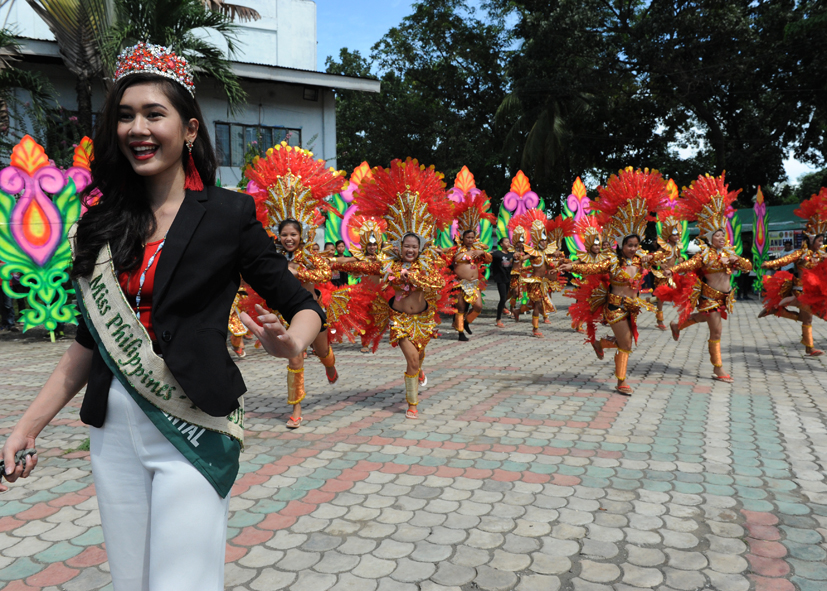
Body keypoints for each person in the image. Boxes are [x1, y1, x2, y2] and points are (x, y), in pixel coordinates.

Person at [0, 43, 325, 591]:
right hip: (113, 432)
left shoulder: (228, 213)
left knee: (181, 582)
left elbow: (303, 303)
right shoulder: (102, 221)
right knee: (133, 582)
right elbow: (89, 340)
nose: (137, 128)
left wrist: (293, 342)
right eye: (125, 116)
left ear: (190, 129)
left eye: (154, 114)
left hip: (192, 423)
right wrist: (26, 427)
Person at [244, 141, 350, 429]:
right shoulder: (272, 257)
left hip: (311, 313)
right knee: (295, 360)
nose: (289, 238)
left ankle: (330, 366)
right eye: (285, 234)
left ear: (301, 235)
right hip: (284, 315)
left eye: (293, 234)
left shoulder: (312, 256)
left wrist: (299, 272)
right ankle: (296, 410)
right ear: (279, 235)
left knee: (324, 353)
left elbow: (325, 272)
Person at [350, 158, 452, 418]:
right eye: (406, 246)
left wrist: (416, 280)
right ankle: (412, 405)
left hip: (424, 318)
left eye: (414, 247)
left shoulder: (427, 264)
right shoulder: (389, 264)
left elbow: (438, 283)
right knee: (412, 360)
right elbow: (367, 269)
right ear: (400, 247)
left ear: (419, 248)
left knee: (420, 356)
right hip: (400, 319)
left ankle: (417, 371)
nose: (410, 250)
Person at [564, 167, 665, 395]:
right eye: (629, 245)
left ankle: (600, 344)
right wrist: (573, 266)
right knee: (627, 344)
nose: (633, 249)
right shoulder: (612, 261)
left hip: (633, 307)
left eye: (636, 245)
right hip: (615, 306)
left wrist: (658, 262)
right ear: (621, 245)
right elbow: (593, 266)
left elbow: (660, 256)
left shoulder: (640, 259)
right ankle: (621, 382)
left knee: (624, 343)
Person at [659, 174, 753, 382]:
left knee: (703, 319)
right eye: (718, 236)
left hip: (724, 298)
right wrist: (672, 270)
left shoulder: (729, 253)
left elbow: (748, 267)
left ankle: (678, 326)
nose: (722, 238)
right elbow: (688, 264)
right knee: (717, 332)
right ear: (710, 238)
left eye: (723, 235)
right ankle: (718, 369)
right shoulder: (705, 255)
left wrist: (736, 259)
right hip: (709, 297)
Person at [758, 189, 827, 356]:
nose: (821, 242)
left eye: (823, 240)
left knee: (807, 319)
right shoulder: (800, 253)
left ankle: (808, 346)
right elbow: (785, 260)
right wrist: (770, 263)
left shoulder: (822, 254)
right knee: (809, 314)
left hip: (814, 292)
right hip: (801, 289)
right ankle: (780, 305)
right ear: (811, 239)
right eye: (819, 240)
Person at [330, 215, 394, 354]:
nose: (372, 247)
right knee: (365, 319)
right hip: (364, 293)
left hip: (380, 293)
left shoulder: (383, 259)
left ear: (377, 244)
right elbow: (346, 261)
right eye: (369, 245)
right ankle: (365, 342)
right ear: (365, 245)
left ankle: (380, 337)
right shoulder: (360, 258)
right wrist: (331, 260)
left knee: (379, 318)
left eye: (374, 244)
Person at [508, 210, 567, 338]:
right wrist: (518, 257)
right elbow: (523, 258)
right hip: (534, 282)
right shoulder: (533, 253)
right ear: (536, 241)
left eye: (545, 241)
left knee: (535, 303)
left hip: (543, 282)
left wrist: (559, 257)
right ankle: (535, 329)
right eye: (541, 241)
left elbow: (554, 258)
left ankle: (518, 311)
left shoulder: (547, 252)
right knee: (538, 303)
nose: (544, 243)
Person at [451, 193, 494, 341]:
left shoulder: (477, 249)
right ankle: (460, 332)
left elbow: (489, 259)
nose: (470, 240)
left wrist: (481, 252)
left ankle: (467, 322)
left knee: (478, 307)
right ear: (462, 237)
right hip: (460, 284)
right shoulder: (456, 250)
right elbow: (447, 258)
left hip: (474, 284)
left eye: (472, 237)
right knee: (461, 308)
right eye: (467, 237)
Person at [565, 216, 611, 333]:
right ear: (590, 245)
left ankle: (603, 319)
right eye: (594, 245)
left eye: (598, 245)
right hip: (585, 285)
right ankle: (578, 325)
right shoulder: (585, 257)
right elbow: (573, 264)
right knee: (582, 305)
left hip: (598, 286)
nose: (597, 247)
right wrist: (564, 264)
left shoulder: (603, 257)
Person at [649, 214, 685, 329]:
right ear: (669, 235)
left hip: (672, 274)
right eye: (674, 234)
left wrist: (681, 259)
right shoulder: (664, 247)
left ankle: (650, 300)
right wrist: (661, 264)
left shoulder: (677, 247)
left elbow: (679, 257)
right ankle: (660, 322)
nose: (677, 236)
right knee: (662, 299)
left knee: (673, 294)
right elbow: (653, 259)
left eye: (677, 234)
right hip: (662, 275)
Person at [490, 236, 514, 328]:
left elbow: (521, 256)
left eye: (509, 242)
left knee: (505, 298)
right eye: (506, 242)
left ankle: (504, 310)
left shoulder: (511, 254)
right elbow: (488, 255)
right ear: (501, 244)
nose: (508, 243)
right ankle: (498, 319)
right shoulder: (497, 254)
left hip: (508, 278)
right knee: (503, 298)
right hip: (500, 279)